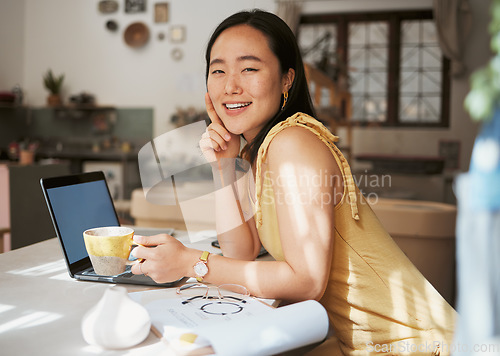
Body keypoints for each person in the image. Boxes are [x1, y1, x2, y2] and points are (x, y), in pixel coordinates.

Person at [131, 9, 456, 355]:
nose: (230, 85)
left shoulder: (292, 143)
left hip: (418, 344)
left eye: (249, 68)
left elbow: (307, 281)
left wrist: (190, 262)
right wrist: (224, 166)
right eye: (218, 70)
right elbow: (240, 252)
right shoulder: (260, 150)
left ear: (287, 79)